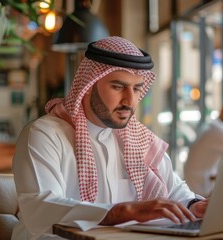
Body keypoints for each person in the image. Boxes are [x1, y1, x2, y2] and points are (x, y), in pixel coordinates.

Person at [12, 36, 208, 239]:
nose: (130, 100)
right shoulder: (45, 134)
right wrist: (120, 212)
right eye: (118, 86)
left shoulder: (138, 138)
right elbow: (40, 207)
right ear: (88, 86)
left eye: (137, 88)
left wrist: (195, 205)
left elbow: (174, 191)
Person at [184, 98, 223, 198]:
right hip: (201, 190)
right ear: (222, 110)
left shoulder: (210, 126)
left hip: (195, 185)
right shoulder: (218, 130)